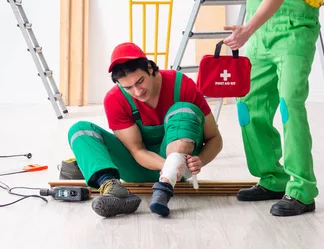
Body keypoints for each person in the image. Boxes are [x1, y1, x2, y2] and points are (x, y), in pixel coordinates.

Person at [200, 0, 323, 216]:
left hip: (294, 30)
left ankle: (302, 190)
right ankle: (272, 178)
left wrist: (247, 29)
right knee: (249, 107)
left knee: (289, 103)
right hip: (258, 34)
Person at [67, 42, 223, 218]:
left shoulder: (181, 85)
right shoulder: (115, 99)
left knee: (185, 109)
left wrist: (199, 161)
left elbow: (215, 138)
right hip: (138, 167)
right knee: (79, 130)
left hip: (179, 164)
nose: (137, 91)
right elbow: (137, 150)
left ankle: (165, 186)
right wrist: (169, 167)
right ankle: (112, 187)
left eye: (140, 81)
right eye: (128, 87)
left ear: (149, 67)